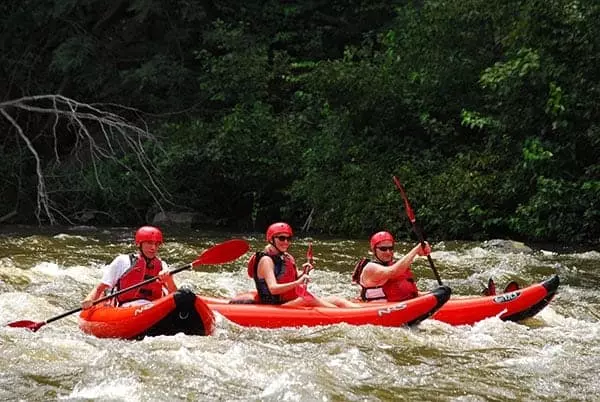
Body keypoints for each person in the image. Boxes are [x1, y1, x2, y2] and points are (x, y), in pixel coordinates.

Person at [247, 222, 359, 308]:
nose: (286, 242)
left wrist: (304, 273)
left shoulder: (286, 257)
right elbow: (273, 289)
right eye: (281, 238)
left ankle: (359, 310)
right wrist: (298, 283)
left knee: (336, 300)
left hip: (288, 301)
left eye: (288, 238)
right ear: (271, 239)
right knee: (307, 299)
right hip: (275, 306)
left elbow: (290, 279)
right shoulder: (266, 260)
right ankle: (343, 315)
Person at [81, 225, 177, 309]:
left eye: (156, 244)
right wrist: (89, 299)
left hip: (153, 306)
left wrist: (169, 280)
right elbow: (100, 288)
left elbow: (174, 295)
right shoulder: (123, 261)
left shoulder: (162, 265)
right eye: (149, 243)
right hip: (127, 307)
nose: (153, 248)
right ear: (139, 244)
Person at [351, 231, 431, 302]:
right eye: (383, 249)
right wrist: (416, 250)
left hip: (402, 306)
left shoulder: (395, 265)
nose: (388, 252)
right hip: (377, 310)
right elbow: (393, 272)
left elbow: (414, 294)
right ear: (374, 250)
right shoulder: (370, 268)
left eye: (391, 248)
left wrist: (436, 293)